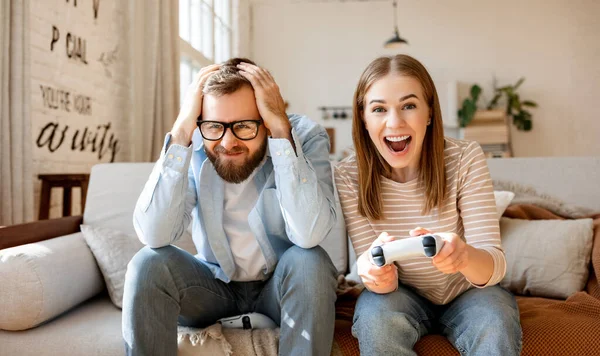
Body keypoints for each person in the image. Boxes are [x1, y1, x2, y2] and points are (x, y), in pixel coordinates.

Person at [123, 58, 340, 356]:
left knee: (310, 261)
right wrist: (182, 130)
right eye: (214, 126)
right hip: (212, 289)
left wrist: (281, 133)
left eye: (244, 126)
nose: (228, 142)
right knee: (146, 263)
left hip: (281, 288)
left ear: (265, 118)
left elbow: (309, 234)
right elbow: (154, 234)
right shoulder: (196, 140)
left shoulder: (303, 136)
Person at [334, 54, 522, 356]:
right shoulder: (348, 175)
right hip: (401, 294)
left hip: (470, 291)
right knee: (375, 318)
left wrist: (463, 257)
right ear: (364, 119)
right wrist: (373, 274)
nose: (394, 122)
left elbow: (495, 267)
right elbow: (377, 279)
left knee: (495, 320)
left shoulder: (465, 158)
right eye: (379, 109)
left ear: (429, 113)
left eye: (409, 105)